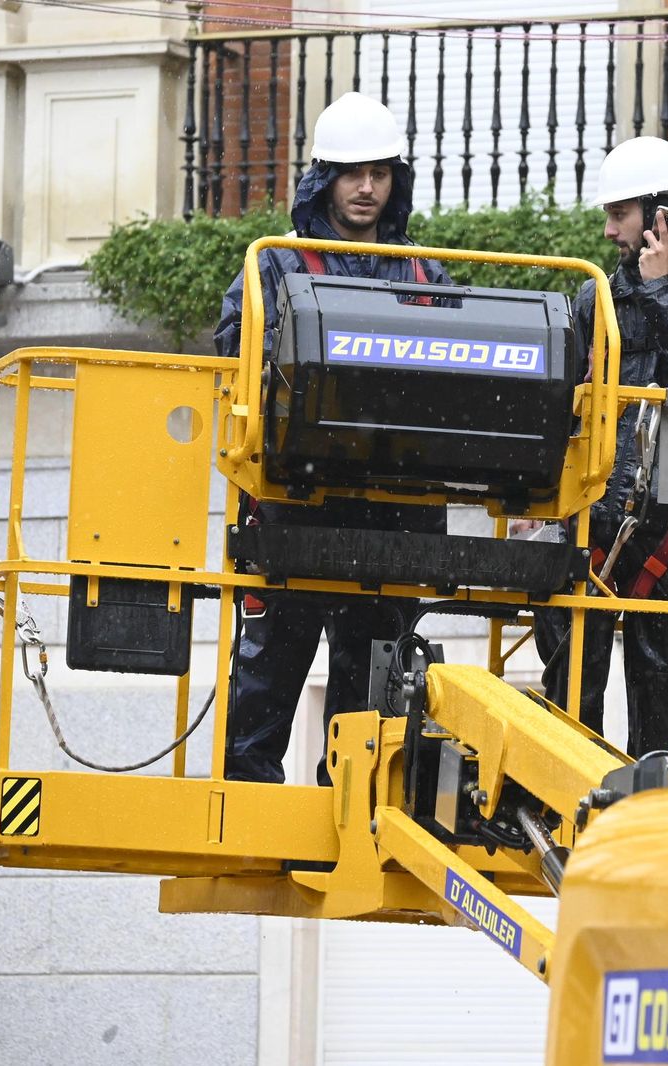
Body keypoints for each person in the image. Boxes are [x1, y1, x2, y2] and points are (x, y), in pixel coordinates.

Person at [215, 92, 452, 783]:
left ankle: (347, 828)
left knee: (367, 701)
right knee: (267, 677)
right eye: (354, 174)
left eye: (380, 174)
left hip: (394, 514)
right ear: (326, 178)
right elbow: (235, 346)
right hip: (295, 504)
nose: (368, 188)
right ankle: (253, 812)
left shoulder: (425, 273)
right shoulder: (276, 265)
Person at [533, 137, 668, 757]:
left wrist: (662, 290)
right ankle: (569, 809)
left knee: (665, 692)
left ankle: (651, 818)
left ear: (664, 218)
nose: (608, 232)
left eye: (619, 215)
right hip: (592, 514)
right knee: (571, 689)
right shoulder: (594, 299)